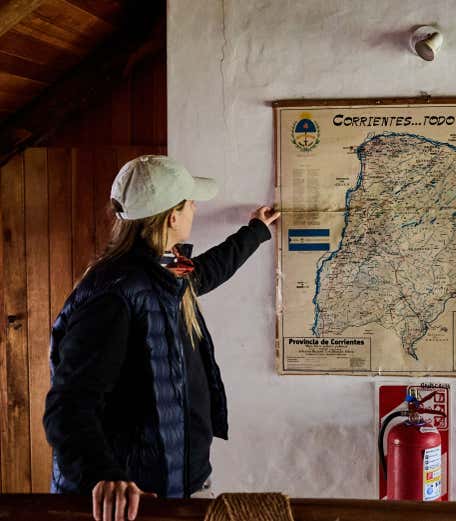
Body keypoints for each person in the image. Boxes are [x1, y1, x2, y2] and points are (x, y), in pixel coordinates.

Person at [43, 155, 279, 521]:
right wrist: (104, 476)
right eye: (189, 203)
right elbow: (68, 407)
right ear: (172, 217)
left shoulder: (162, 264)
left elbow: (204, 273)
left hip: (179, 482)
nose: (195, 208)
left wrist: (255, 232)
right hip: (136, 500)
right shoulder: (114, 294)